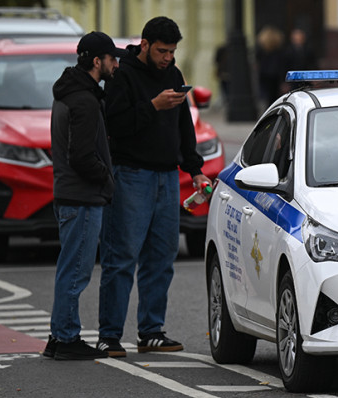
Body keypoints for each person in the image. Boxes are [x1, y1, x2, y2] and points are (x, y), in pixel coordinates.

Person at [98, 16, 212, 357]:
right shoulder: (123, 76)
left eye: (172, 51)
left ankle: (151, 331)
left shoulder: (174, 75)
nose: (167, 58)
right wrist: (152, 106)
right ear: (144, 45)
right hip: (132, 174)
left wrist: (195, 170)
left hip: (167, 177)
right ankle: (109, 335)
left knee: (161, 257)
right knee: (121, 257)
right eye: (162, 51)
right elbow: (114, 126)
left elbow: (184, 127)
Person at [44, 31, 125, 360]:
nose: (116, 64)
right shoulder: (84, 100)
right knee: (76, 271)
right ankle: (65, 338)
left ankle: (58, 336)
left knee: (69, 268)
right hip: (82, 197)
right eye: (111, 59)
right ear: (97, 61)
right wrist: (107, 181)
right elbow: (81, 156)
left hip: (71, 194)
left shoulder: (71, 92)